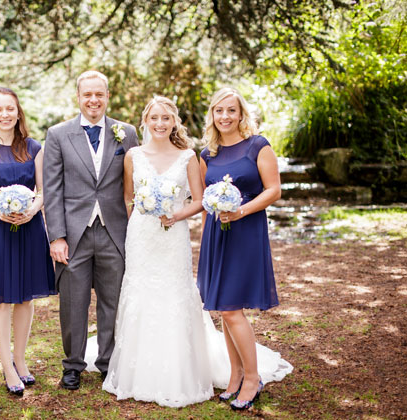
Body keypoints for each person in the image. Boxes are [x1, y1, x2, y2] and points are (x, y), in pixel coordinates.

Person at [84, 95, 293, 408]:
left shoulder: (191, 156)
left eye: (166, 118)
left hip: (187, 235)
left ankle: (240, 376)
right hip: (144, 238)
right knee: (183, 301)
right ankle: (227, 375)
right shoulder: (143, 156)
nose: (159, 123)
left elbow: (200, 199)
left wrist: (176, 214)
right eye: (154, 118)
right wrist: (142, 222)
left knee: (202, 302)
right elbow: (129, 198)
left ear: (174, 122)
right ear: (144, 120)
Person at [43, 70, 139, 390]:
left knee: (112, 300)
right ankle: (73, 365)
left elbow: (135, 185)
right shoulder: (58, 134)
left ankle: (108, 364)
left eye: (99, 94)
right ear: (78, 97)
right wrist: (56, 236)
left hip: (115, 231)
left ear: (108, 96)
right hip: (73, 233)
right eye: (87, 95)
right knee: (73, 301)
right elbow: (53, 189)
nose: (93, 100)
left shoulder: (126, 132)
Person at [197, 87, 283, 410]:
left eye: (231, 110)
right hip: (217, 237)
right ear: (213, 115)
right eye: (219, 111)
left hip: (246, 232)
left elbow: (274, 190)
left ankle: (252, 377)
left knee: (232, 310)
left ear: (241, 113)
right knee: (223, 307)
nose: (225, 117)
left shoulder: (257, 146)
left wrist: (241, 210)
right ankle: (234, 377)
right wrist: (205, 247)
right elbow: (206, 202)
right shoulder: (208, 155)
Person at [0, 87, 56, 397]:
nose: (5, 114)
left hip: (30, 228)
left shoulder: (34, 147)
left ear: (18, 112)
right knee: (1, 298)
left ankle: (20, 359)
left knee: (25, 297)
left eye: (10, 109)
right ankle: (6, 366)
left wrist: (32, 210)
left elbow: (45, 190)